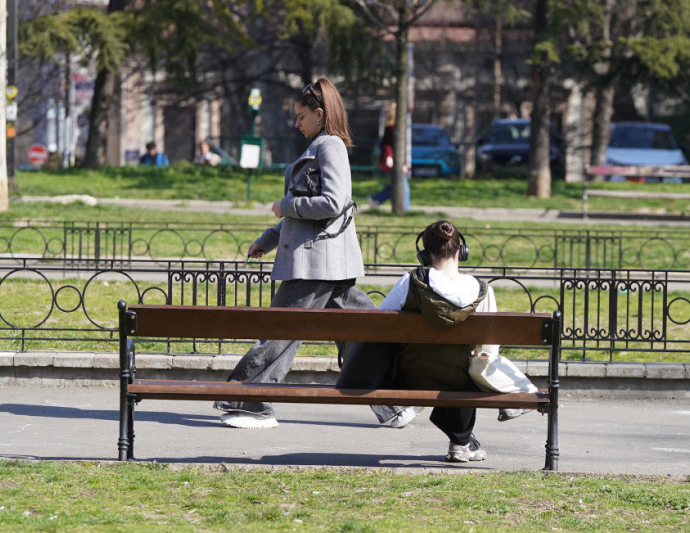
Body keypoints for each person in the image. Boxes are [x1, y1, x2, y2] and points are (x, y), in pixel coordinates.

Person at [214, 78, 417, 430]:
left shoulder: (330, 147)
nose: (296, 123)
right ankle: (393, 404)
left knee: (279, 330)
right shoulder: (322, 146)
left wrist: (285, 205)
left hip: (315, 264)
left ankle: (251, 401)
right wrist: (268, 239)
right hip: (325, 261)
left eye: (301, 116)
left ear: (319, 115)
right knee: (359, 334)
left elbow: (332, 203)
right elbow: (305, 218)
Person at [336, 220, 537, 463]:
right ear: (461, 251)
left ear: (424, 255)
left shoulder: (410, 281)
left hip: (411, 376)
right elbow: (488, 351)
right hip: (461, 379)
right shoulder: (483, 290)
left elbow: (380, 328)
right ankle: (461, 443)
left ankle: (458, 440)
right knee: (465, 365)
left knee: (436, 362)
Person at [368, 103, 410, 208]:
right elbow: (388, 146)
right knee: (402, 186)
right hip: (393, 161)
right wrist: (393, 160)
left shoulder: (390, 128)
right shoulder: (393, 129)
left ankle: (376, 198)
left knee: (396, 185)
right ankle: (403, 209)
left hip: (393, 160)